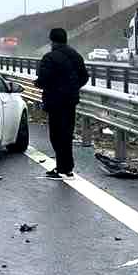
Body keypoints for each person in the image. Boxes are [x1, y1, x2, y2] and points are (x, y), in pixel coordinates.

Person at [35, 27, 89, 177]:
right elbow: (84, 77)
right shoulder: (76, 56)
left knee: (56, 135)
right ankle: (67, 167)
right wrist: (72, 87)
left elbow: (43, 79)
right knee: (67, 134)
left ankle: (62, 167)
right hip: (70, 101)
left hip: (55, 102)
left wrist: (38, 83)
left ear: (52, 41)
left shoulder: (49, 58)